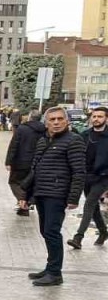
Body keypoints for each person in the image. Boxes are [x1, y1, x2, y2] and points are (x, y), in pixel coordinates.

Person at [22, 107, 86, 286]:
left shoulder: (74, 141)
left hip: (57, 194)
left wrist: (73, 197)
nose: (56, 123)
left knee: (52, 232)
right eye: (52, 120)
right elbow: (35, 169)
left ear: (66, 121)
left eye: (59, 119)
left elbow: (79, 171)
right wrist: (28, 195)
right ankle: (50, 268)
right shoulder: (43, 141)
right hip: (42, 192)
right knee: (45, 231)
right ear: (46, 123)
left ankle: (55, 273)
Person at [69, 106, 108, 249]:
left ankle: (78, 237)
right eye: (94, 116)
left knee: (89, 204)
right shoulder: (85, 135)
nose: (96, 119)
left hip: (103, 177)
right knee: (94, 207)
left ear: (106, 119)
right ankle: (103, 232)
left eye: (100, 116)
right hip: (86, 176)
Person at [5, 110, 45, 215]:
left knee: (14, 182)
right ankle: (26, 204)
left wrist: (8, 161)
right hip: (37, 162)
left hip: (20, 162)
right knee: (30, 183)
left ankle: (23, 201)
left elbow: (14, 145)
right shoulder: (45, 130)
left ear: (29, 117)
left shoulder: (22, 129)